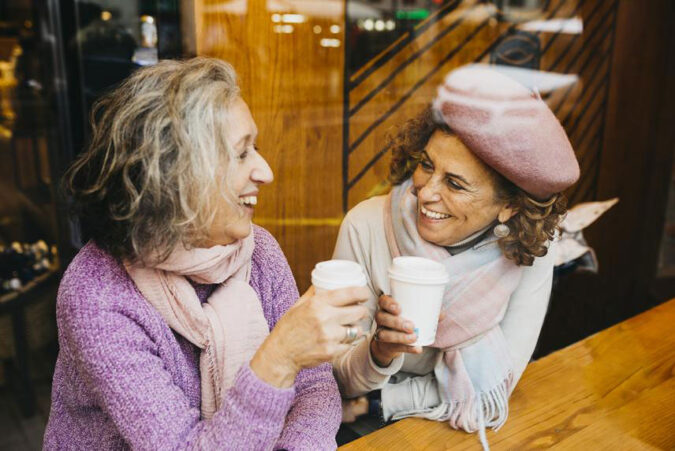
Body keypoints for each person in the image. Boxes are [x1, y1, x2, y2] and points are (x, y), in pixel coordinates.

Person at [43, 57, 369, 450]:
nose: (265, 171)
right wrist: (279, 357)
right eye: (241, 153)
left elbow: (314, 387)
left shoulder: (258, 250)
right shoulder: (98, 294)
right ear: (175, 178)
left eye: (257, 147)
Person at [333, 65, 580, 445]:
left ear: (510, 208)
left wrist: (381, 402)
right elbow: (336, 376)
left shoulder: (528, 252)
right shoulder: (364, 227)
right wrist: (379, 352)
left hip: (462, 429)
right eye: (427, 165)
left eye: (455, 184)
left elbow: (500, 383)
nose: (426, 192)